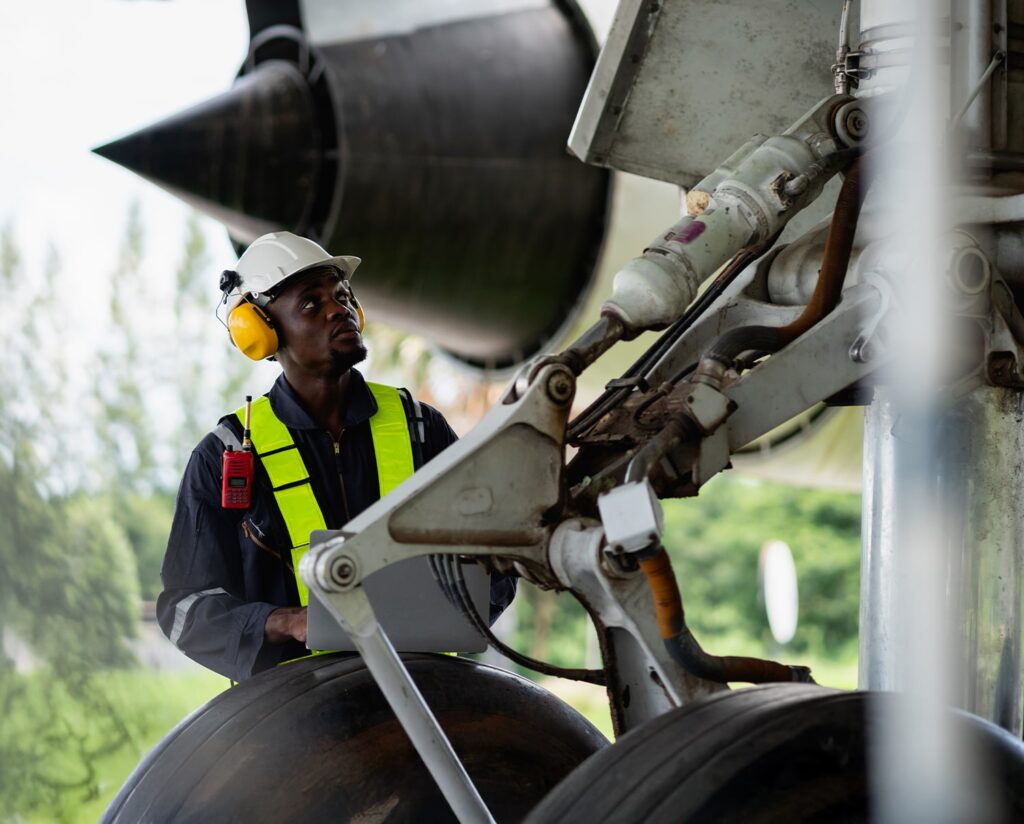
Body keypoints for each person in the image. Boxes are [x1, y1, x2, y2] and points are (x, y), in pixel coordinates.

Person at [157, 232, 515, 681]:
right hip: (295, 708)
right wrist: (284, 621)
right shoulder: (225, 454)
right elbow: (185, 609)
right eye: (311, 303)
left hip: (425, 685)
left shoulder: (421, 428)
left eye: (342, 295)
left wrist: (455, 612)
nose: (339, 309)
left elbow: (497, 555)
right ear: (261, 331)